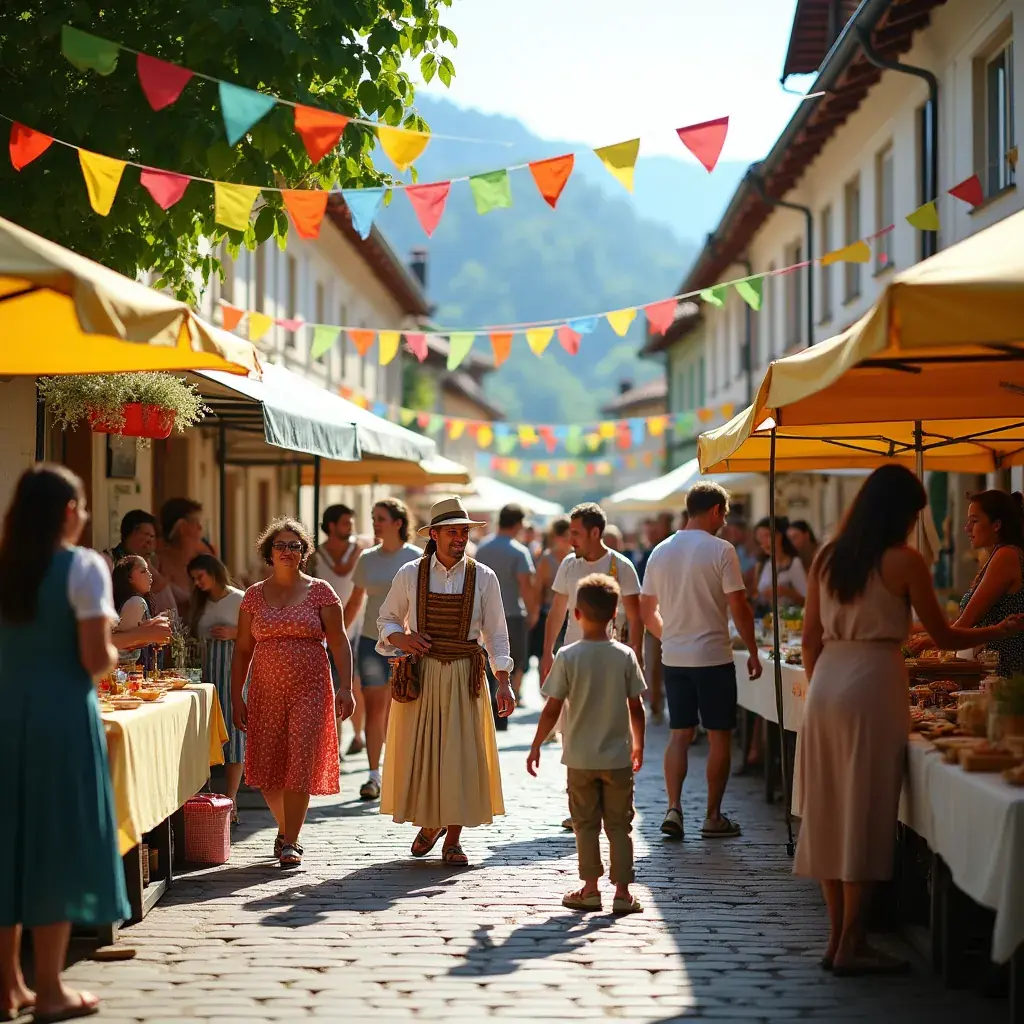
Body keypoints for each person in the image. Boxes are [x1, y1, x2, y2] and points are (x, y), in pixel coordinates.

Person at [795, 465, 1024, 975]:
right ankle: (850, 943)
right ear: (900, 513)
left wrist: (827, 684)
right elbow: (945, 637)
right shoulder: (903, 560)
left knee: (830, 811)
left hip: (828, 682)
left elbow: (810, 640)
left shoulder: (829, 557)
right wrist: (1001, 627)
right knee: (867, 813)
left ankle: (838, 940)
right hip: (875, 682)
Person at [0, 465, 128, 1024]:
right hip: (59, 721)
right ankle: (50, 987)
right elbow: (95, 658)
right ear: (69, 513)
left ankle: (6, 985)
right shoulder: (83, 568)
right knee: (56, 841)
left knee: (7, 843)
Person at [376, 496, 515, 867]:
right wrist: (400, 638)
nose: (459, 537)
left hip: (465, 674)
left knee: (460, 756)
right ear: (434, 534)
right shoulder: (410, 573)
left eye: (464, 531)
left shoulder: (484, 577)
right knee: (423, 754)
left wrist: (503, 679)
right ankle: (431, 821)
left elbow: (497, 634)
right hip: (422, 675)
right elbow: (386, 619)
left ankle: (452, 838)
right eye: (452, 531)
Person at [640, 482, 761, 840]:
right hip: (713, 656)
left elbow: (647, 611)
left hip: (675, 657)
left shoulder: (660, 551)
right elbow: (738, 606)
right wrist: (753, 650)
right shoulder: (722, 549)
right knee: (719, 734)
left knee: (680, 734)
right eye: (723, 514)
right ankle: (712, 816)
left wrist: (672, 636)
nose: (723, 521)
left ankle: (673, 808)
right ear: (714, 511)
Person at [230, 518, 355, 868]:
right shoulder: (253, 595)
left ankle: (291, 842)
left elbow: (340, 642)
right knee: (268, 767)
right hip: (265, 689)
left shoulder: (321, 591)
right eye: (281, 545)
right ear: (269, 552)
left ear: (304, 553)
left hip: (311, 686)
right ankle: (286, 830)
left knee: (300, 761)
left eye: (295, 546)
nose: (288, 551)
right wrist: (236, 695)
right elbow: (242, 649)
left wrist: (346, 686)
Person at [527, 574, 646, 915]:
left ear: (576, 614)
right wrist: (638, 746)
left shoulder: (567, 656)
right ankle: (623, 892)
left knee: (585, 824)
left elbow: (551, 708)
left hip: (579, 759)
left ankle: (590, 889)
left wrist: (536, 744)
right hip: (617, 758)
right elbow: (636, 709)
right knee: (620, 825)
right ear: (615, 616)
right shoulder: (624, 656)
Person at [343, 499, 421, 801]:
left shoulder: (416, 557)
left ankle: (401, 771)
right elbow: (354, 601)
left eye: (381, 518)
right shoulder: (367, 558)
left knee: (402, 709)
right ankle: (374, 774)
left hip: (407, 643)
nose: (375, 523)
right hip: (369, 640)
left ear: (398, 523)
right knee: (375, 708)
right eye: (373, 518)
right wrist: (334, 639)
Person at [907, 490, 1024, 676]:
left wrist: (928, 640)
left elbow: (966, 623)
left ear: (997, 525)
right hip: (993, 668)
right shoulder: (996, 554)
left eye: (974, 521)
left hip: (1007, 672)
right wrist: (918, 630)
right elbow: (962, 621)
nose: (966, 528)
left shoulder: (1006, 556)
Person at [542, 503, 642, 681]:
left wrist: (637, 655)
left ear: (595, 533)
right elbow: (557, 611)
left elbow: (635, 617)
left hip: (610, 660)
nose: (570, 540)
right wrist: (547, 652)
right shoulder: (568, 563)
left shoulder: (622, 566)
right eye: (569, 532)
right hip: (573, 659)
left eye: (576, 533)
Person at [189, 554, 246, 823]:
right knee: (206, 733)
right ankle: (208, 799)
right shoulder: (200, 604)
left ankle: (232, 798)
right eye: (194, 579)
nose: (197, 583)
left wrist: (234, 634)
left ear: (214, 573)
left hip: (234, 671)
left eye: (200, 576)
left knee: (235, 735)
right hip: (207, 672)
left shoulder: (239, 598)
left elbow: (257, 631)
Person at [308, 504, 366, 754]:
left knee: (355, 681)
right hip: (325, 627)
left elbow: (359, 590)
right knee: (329, 684)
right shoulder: (315, 555)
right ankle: (336, 744)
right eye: (345, 522)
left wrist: (346, 623)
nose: (350, 527)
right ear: (331, 526)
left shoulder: (361, 552)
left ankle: (359, 734)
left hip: (358, 625)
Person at [475, 503, 538, 718]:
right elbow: (526, 587)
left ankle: (489, 708)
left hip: (482, 615)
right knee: (511, 661)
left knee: (487, 663)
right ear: (519, 523)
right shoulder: (519, 551)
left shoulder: (482, 547)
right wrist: (533, 613)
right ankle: (507, 707)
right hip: (511, 614)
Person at [636, 513, 675, 726]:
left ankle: (663, 704)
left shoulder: (668, 549)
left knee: (664, 664)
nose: (652, 533)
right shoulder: (647, 553)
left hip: (669, 613)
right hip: (654, 615)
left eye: (656, 528)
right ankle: (657, 706)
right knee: (653, 665)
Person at [154, 497, 206, 621]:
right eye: (196, 522)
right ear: (182, 527)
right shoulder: (157, 563)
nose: (200, 528)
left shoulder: (203, 561)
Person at [531, 517, 571, 668]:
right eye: (565, 536)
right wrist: (534, 613)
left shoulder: (576, 557)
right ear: (557, 537)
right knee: (548, 655)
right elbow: (538, 589)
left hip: (572, 614)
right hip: (549, 613)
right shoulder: (547, 559)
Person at [754, 515, 807, 610]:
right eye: (760, 538)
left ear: (779, 536)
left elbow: (806, 599)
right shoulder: (763, 565)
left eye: (767, 536)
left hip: (790, 618)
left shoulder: (794, 564)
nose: (763, 542)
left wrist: (785, 592)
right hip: (766, 618)